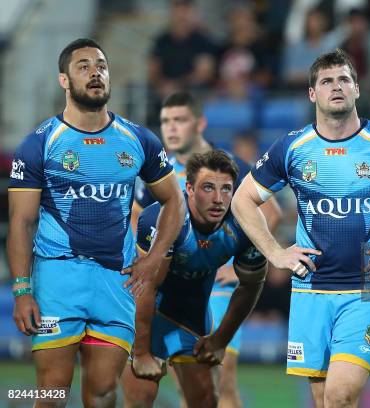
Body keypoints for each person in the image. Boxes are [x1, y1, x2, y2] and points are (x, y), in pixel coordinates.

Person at [231, 48, 370, 407]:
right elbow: (242, 200)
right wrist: (275, 252)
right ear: (312, 93)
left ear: (356, 89)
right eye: (326, 81)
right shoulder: (292, 147)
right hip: (310, 291)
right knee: (323, 400)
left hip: (367, 289)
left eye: (343, 79)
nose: (336, 86)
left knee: (339, 396)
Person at [7, 38, 184, 407]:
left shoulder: (138, 139)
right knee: (52, 392)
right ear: (64, 81)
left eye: (101, 66)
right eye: (83, 66)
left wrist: (153, 258)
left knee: (103, 392)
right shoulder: (39, 143)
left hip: (115, 282)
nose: (95, 73)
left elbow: (174, 200)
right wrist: (22, 290)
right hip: (58, 278)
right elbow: (21, 223)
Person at [128, 91, 282, 408]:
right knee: (151, 388)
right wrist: (151, 251)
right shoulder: (160, 172)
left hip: (215, 289)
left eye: (179, 120)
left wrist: (229, 267)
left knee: (220, 383)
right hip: (162, 282)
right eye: (165, 121)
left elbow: (270, 213)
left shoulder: (229, 167)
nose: (171, 129)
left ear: (199, 123)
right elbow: (135, 215)